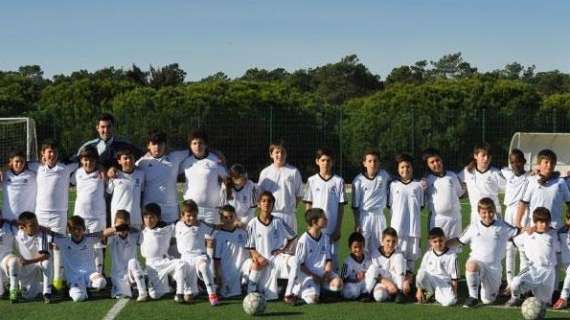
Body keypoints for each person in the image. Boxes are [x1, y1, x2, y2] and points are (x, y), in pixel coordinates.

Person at [447, 197, 519, 308]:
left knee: (488, 300)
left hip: (494, 268)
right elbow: (459, 241)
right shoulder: (473, 227)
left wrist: (534, 230)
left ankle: (486, 290)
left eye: (490, 212)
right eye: (484, 212)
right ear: (479, 213)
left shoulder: (502, 225)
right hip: (478, 263)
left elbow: (517, 232)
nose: (487, 215)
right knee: (471, 265)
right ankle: (473, 297)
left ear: (494, 211)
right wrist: (442, 244)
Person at [35, 142, 79, 290]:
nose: (51, 155)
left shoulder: (65, 168)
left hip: (59, 215)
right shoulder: (37, 168)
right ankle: (44, 281)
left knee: (58, 247)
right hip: (41, 215)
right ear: (43, 154)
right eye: (48, 152)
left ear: (57, 154)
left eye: (54, 152)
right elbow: (16, 163)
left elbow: (81, 160)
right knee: (43, 249)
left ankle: (58, 281)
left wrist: (99, 167)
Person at [283, 208, 343, 305]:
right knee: (312, 300)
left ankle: (320, 290)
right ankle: (297, 291)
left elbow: (328, 259)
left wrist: (326, 274)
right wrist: (314, 276)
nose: (327, 220)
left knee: (338, 285)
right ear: (314, 222)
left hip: (323, 274)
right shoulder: (304, 240)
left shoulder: (325, 238)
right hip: (308, 275)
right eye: (324, 218)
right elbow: (300, 265)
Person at [245, 191, 296, 301]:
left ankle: (291, 291)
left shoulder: (278, 221)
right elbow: (250, 247)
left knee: (294, 260)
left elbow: (292, 236)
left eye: (270, 201)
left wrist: (283, 250)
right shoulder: (252, 223)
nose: (266, 203)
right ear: (258, 204)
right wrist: (258, 256)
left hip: (275, 258)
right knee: (256, 266)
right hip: (260, 259)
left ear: (273, 204)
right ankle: (250, 292)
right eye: (263, 201)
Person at [507, 207, 559, 307]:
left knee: (543, 305)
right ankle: (516, 297)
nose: (543, 225)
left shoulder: (554, 234)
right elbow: (512, 240)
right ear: (535, 222)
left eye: (546, 222)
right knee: (515, 283)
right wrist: (524, 231)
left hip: (548, 273)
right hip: (533, 269)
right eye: (540, 222)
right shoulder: (528, 234)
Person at [304, 148, 346, 269]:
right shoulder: (311, 180)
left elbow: (341, 206)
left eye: (328, 160)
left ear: (332, 162)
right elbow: (308, 205)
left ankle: (334, 284)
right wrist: (309, 223)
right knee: (316, 257)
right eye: (323, 160)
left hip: (332, 227)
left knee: (333, 257)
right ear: (317, 161)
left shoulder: (339, 181)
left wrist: (338, 228)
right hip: (316, 226)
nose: (325, 163)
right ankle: (317, 282)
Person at [52, 216, 110, 302]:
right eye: (73, 229)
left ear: (84, 229)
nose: (76, 232)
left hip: (90, 274)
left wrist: (120, 227)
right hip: (74, 277)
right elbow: (48, 234)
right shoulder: (64, 240)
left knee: (101, 282)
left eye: (79, 229)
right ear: (69, 230)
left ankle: (86, 288)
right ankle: (72, 289)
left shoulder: (89, 238)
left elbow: (104, 233)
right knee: (78, 298)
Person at [135, 131, 189, 224]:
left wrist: (216, 152)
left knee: (171, 239)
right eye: (154, 144)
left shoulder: (175, 157)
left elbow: (194, 150)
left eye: (160, 144)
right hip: (150, 212)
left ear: (165, 145)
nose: (157, 147)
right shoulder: (141, 163)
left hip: (171, 212)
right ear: (148, 146)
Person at [175, 200, 219, 305]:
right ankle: (191, 290)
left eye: (194, 215)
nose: (192, 218)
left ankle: (212, 294)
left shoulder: (202, 225)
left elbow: (215, 228)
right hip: (185, 259)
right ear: (182, 215)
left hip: (199, 256)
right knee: (188, 298)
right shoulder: (178, 225)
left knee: (203, 266)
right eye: (188, 215)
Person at [140, 203, 186, 302]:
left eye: (152, 217)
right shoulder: (142, 232)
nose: (148, 220)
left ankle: (180, 293)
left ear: (158, 217)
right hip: (151, 266)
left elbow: (180, 224)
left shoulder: (166, 229)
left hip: (164, 262)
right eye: (146, 217)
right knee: (155, 295)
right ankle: (167, 283)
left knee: (180, 263)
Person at [180, 129, 227, 225]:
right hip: (191, 212)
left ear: (206, 145)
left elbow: (226, 180)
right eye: (194, 143)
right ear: (190, 146)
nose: (198, 146)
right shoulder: (185, 162)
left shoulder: (215, 161)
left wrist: (223, 205)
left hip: (211, 212)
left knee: (211, 240)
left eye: (201, 143)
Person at [71, 146, 106, 273]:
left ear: (96, 161)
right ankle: (80, 274)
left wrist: (103, 169)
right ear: (81, 160)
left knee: (97, 248)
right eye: (85, 160)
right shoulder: (77, 173)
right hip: (80, 218)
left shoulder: (102, 174)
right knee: (79, 246)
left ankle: (98, 275)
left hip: (97, 218)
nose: (88, 163)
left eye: (91, 160)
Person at [516, 149, 570, 230]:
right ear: (539, 164)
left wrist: (568, 222)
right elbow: (522, 204)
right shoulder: (531, 181)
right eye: (546, 162)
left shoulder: (560, 182)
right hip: (535, 228)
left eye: (552, 163)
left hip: (555, 228)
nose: (549, 165)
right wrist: (518, 224)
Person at [5, 212, 53, 303]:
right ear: (22, 227)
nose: (36, 227)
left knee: (46, 262)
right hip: (24, 267)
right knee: (28, 295)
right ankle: (13, 291)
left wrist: (28, 261)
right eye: (32, 225)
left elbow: (45, 255)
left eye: (37, 223)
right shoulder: (16, 232)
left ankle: (47, 293)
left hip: (36, 264)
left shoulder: (41, 233)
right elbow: (10, 222)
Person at [389, 153, 423, 273]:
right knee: (398, 257)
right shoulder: (393, 185)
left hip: (413, 229)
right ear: (398, 169)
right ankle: (399, 283)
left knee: (412, 258)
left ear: (412, 168)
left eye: (408, 166)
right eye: (402, 167)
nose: (405, 169)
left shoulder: (418, 186)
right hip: (398, 228)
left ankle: (410, 284)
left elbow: (420, 206)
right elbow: (391, 205)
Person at [257, 142, 303, 232]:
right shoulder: (265, 172)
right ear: (271, 154)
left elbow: (299, 194)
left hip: (288, 216)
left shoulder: (293, 172)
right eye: (277, 152)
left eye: (283, 152)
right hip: (270, 215)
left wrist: (289, 208)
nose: (280, 155)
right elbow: (260, 195)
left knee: (289, 245)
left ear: (286, 154)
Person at [501, 149, 529, 293]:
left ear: (524, 161)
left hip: (523, 212)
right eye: (512, 162)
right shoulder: (507, 173)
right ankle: (509, 282)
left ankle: (522, 282)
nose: (515, 164)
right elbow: (498, 169)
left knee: (522, 249)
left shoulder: (530, 176)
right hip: (508, 213)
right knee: (509, 247)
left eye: (518, 161)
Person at [352, 149, 390, 254]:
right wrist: (357, 223)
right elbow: (355, 206)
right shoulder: (358, 180)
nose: (373, 163)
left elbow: (398, 181)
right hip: (365, 217)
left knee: (381, 246)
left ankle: (379, 270)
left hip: (379, 216)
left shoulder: (384, 175)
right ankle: (364, 269)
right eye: (370, 161)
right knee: (363, 247)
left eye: (375, 161)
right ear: (364, 163)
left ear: (379, 163)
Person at [458, 143, 506, 224]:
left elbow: (509, 187)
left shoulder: (496, 173)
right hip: (475, 215)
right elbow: (456, 182)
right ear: (475, 156)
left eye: (488, 156)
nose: (486, 158)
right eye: (483, 155)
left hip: (493, 214)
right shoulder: (467, 172)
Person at [422, 148, 464, 239]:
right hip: (437, 220)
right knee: (436, 249)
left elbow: (460, 194)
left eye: (437, 160)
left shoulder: (452, 176)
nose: (436, 164)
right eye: (432, 162)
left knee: (454, 249)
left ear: (441, 160)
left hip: (455, 219)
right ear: (427, 165)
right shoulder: (427, 181)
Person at [107, 210, 148, 301]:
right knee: (122, 295)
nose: (122, 229)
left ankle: (142, 292)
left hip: (132, 272)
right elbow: (101, 234)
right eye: (119, 225)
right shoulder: (112, 237)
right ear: (115, 224)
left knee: (133, 262)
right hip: (118, 275)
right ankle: (133, 286)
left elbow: (144, 232)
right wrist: (116, 229)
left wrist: (130, 228)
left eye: (125, 225)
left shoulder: (134, 235)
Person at [76, 113, 141, 169]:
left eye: (109, 126)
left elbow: (142, 157)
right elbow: (77, 163)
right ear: (97, 128)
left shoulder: (125, 145)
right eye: (103, 127)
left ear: (113, 127)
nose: (106, 130)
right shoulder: (88, 146)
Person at [415, 227, 458, 307]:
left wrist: (455, 293)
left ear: (445, 239)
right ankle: (430, 292)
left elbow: (454, 277)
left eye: (440, 241)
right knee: (421, 273)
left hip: (443, 283)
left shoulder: (452, 255)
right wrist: (419, 290)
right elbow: (421, 272)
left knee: (450, 301)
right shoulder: (428, 254)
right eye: (435, 242)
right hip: (430, 280)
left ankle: (434, 296)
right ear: (430, 242)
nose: (438, 244)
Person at [364, 227, 409, 303]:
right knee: (379, 296)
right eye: (388, 241)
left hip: (396, 282)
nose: (391, 244)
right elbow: (373, 274)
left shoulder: (398, 254)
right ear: (382, 240)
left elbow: (407, 272)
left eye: (393, 241)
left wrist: (406, 281)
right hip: (382, 282)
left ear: (397, 241)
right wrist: (387, 283)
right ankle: (367, 293)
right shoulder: (375, 254)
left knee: (399, 257)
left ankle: (400, 292)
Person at [213, 205, 249, 298]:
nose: (228, 219)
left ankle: (248, 286)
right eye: (225, 217)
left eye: (231, 216)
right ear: (221, 218)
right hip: (228, 272)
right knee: (231, 295)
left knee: (252, 263)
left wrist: (245, 226)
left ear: (235, 216)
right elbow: (216, 259)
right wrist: (217, 276)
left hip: (243, 268)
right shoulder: (219, 236)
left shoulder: (243, 232)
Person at [107, 148, 145, 230]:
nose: (128, 161)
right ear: (119, 161)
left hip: (135, 219)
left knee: (136, 242)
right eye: (125, 158)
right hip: (119, 219)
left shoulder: (141, 174)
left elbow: (141, 194)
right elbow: (108, 191)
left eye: (131, 158)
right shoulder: (115, 175)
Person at [1, 151, 37, 221]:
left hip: (26, 221)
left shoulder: (32, 175)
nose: (19, 164)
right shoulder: (4, 175)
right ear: (11, 161)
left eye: (22, 161)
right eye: (16, 161)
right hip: (7, 219)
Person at [341, 232, 370, 300]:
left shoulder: (368, 258)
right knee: (353, 292)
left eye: (360, 246)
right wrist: (354, 278)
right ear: (350, 247)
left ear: (364, 246)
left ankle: (365, 294)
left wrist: (365, 274)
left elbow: (372, 272)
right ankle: (363, 294)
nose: (358, 249)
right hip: (352, 284)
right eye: (355, 247)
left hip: (364, 282)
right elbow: (342, 279)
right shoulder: (347, 262)